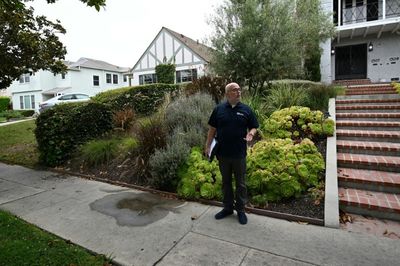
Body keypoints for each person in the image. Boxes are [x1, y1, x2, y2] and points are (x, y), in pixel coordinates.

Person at [205, 82, 259, 225]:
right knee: (226, 182)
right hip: (222, 154)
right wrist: (208, 146)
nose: (239, 92)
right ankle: (228, 208)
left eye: (239, 90)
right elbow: (212, 130)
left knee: (241, 184)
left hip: (239, 154)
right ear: (228, 93)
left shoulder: (246, 110)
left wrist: (251, 134)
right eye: (235, 90)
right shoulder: (219, 109)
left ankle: (240, 210)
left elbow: (254, 126)